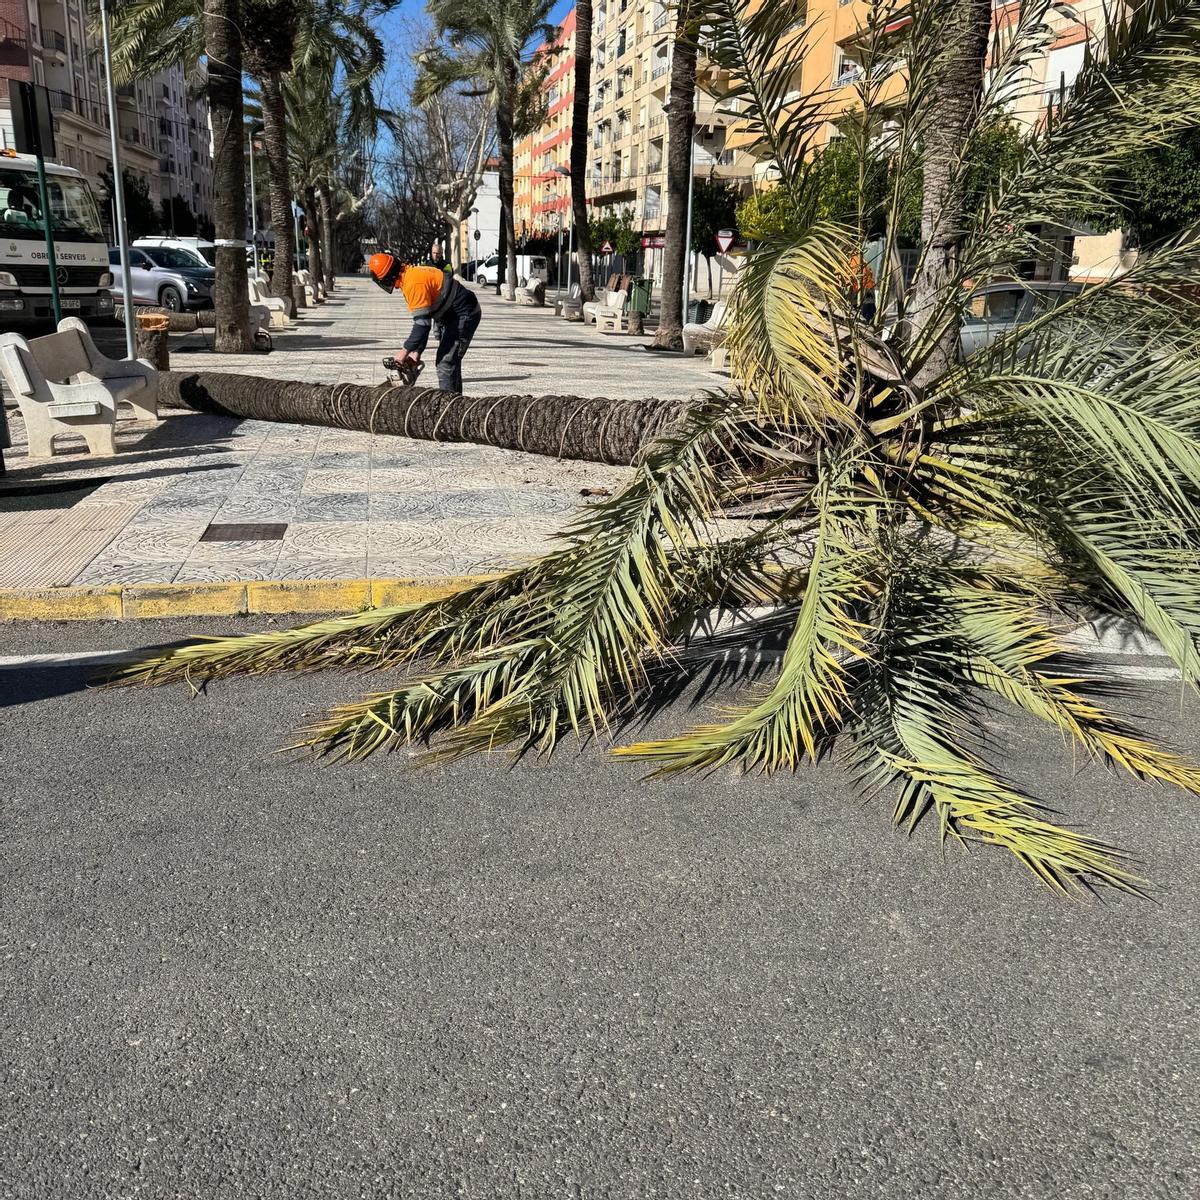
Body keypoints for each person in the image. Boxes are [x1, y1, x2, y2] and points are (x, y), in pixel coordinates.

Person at [368, 251, 481, 393]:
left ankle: (449, 408)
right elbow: (424, 321)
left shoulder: (413, 283)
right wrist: (416, 352)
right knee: (450, 361)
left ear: (387, 278)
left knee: (446, 362)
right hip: (450, 313)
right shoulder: (409, 276)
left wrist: (404, 352)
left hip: (463, 312)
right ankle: (457, 404)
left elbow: (422, 325)